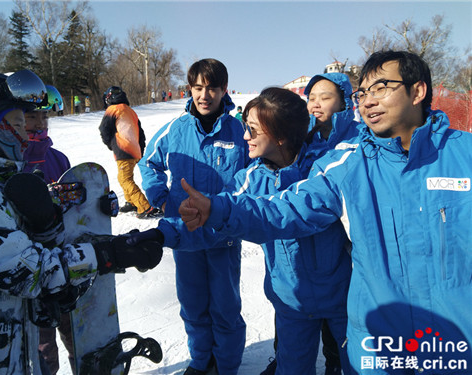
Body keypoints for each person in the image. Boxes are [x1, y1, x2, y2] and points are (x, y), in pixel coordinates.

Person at [180, 50, 472, 374]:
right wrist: (216, 209)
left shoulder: (464, 156)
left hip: (454, 346)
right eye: (363, 92)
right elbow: (286, 208)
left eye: (381, 88)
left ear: (417, 91)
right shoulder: (348, 164)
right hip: (379, 348)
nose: (369, 101)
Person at [0, 69, 163, 374]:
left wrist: (87, 211)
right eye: (16, 125)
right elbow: (30, 273)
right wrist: (109, 254)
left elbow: (25, 289)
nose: (25, 134)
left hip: (12, 355)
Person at [138, 58, 251, 375]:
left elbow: (252, 176)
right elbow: (149, 163)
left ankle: (226, 366)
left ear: (223, 90)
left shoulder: (238, 131)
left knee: (225, 308)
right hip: (184, 234)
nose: (205, 95)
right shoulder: (176, 129)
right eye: (198, 87)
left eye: (212, 88)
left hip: (223, 235)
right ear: (190, 89)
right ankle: (202, 363)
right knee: (193, 304)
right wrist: (160, 197)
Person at [260, 72, 361, 375]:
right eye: (311, 98)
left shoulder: (359, 139)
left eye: (325, 97)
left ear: (344, 101)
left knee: (344, 335)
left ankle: (335, 363)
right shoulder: (303, 141)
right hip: (301, 258)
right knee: (293, 318)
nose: (315, 104)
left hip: (344, 259)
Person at [21, 84, 75, 374]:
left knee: (72, 328)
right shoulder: (13, 159)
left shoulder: (58, 158)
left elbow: (74, 201)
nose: (40, 124)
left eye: (45, 117)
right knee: (42, 342)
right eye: (31, 117)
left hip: (62, 259)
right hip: (29, 263)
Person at [99, 86, 162, 218]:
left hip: (124, 151)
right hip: (135, 151)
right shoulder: (131, 111)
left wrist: (111, 145)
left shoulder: (113, 110)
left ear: (108, 99)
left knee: (125, 179)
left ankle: (144, 206)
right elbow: (141, 133)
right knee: (124, 178)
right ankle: (131, 202)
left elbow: (104, 130)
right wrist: (141, 148)